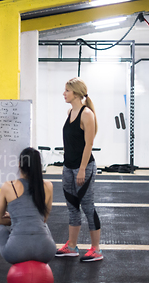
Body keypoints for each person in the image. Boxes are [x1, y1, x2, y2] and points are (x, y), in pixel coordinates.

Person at [0, 147, 56, 283]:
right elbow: (43, 219)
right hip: (47, 251)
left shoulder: (8, 186)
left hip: (17, 252)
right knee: (42, 224)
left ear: (19, 164)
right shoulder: (48, 186)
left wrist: (12, 220)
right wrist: (17, 218)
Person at [56, 77, 102, 262]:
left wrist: (82, 169)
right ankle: (72, 246)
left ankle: (96, 249)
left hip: (84, 167)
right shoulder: (70, 112)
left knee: (88, 207)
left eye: (67, 90)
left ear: (75, 93)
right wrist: (67, 165)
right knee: (72, 207)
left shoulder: (87, 114)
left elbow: (89, 144)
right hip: (68, 167)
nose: (64, 93)